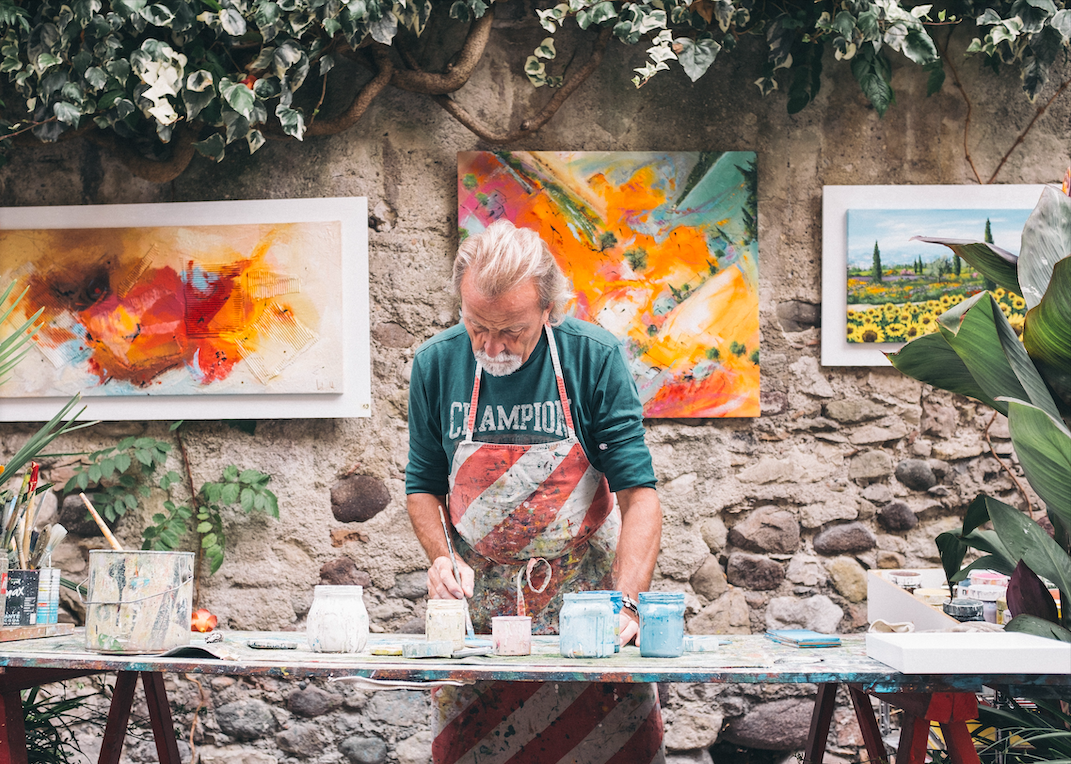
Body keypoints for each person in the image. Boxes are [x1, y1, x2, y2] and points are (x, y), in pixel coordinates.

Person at [406, 218, 666, 764]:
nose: (491, 346)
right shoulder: (436, 363)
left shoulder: (592, 358)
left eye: (511, 331)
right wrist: (442, 558)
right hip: (480, 616)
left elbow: (639, 495)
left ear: (549, 309)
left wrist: (626, 605)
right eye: (478, 326)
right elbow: (422, 486)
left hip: (588, 608)